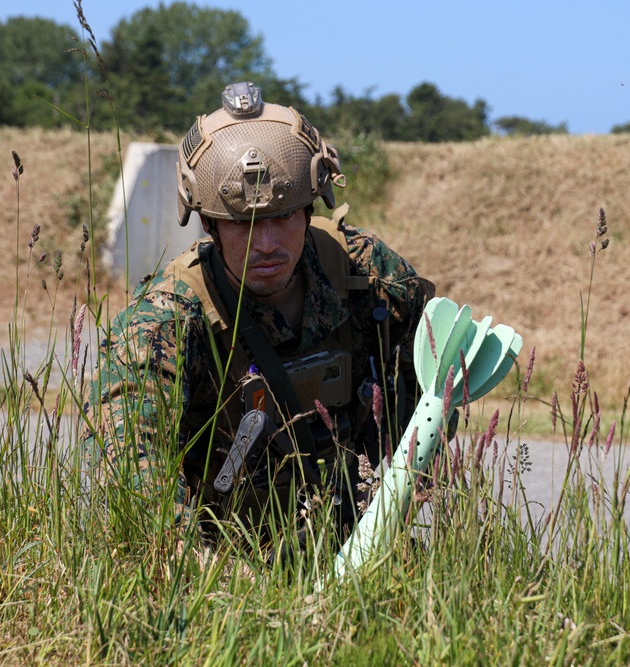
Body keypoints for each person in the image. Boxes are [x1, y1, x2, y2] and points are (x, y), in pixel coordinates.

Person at [84, 82, 434, 550]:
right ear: (207, 221)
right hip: (226, 564)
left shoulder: (361, 269)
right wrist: (211, 579)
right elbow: (126, 466)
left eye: (284, 216)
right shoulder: (165, 319)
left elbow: (436, 380)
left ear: (310, 209)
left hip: (363, 547)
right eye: (243, 223)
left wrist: (391, 511)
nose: (266, 243)